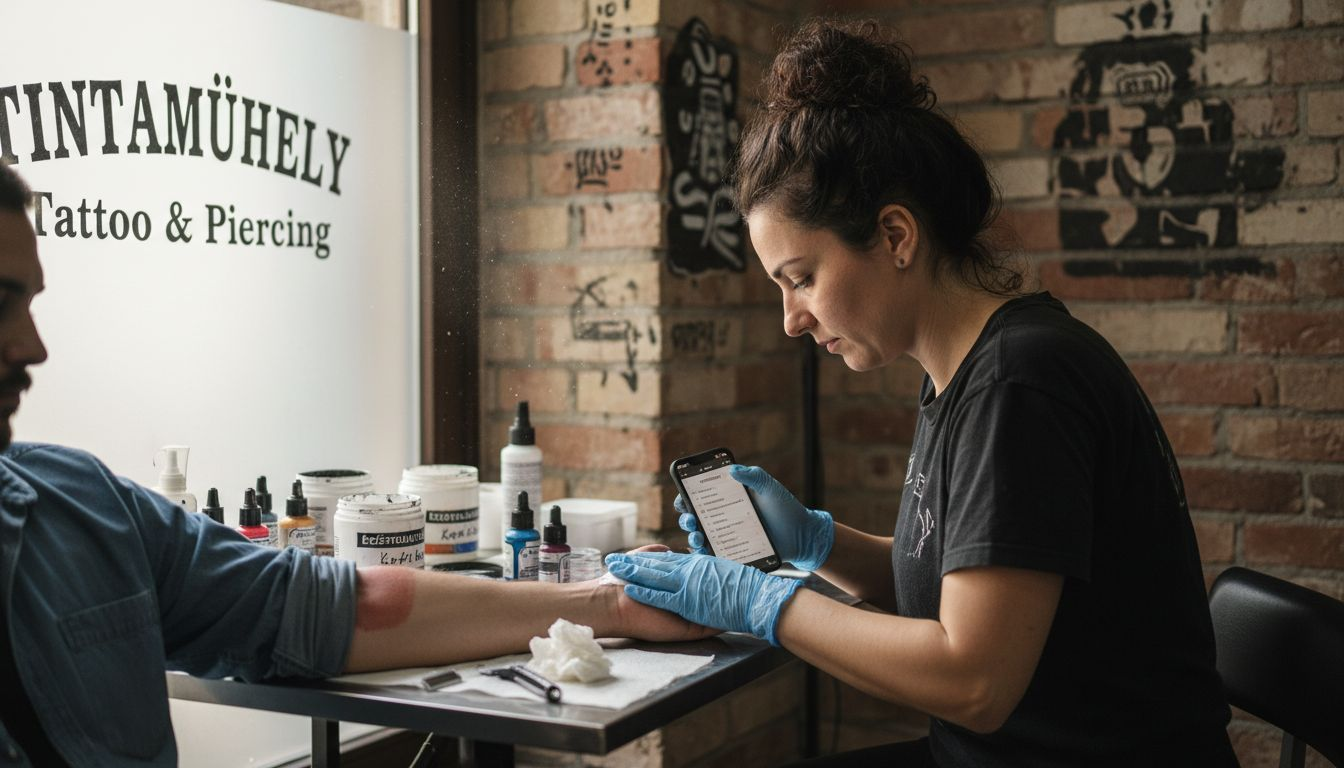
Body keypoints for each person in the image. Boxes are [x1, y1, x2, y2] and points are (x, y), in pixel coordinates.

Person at [606, 19, 1238, 768]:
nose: (791, 319)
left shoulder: (1020, 384)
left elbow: (973, 678)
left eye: (802, 278)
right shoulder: (964, 374)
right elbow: (959, 586)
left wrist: (760, 603)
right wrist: (813, 542)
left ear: (897, 236)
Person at [0, 161, 710, 767]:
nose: (35, 349)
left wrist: (607, 605)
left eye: (30, 304)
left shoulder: (83, 506)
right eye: (2, 304)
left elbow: (329, 607)